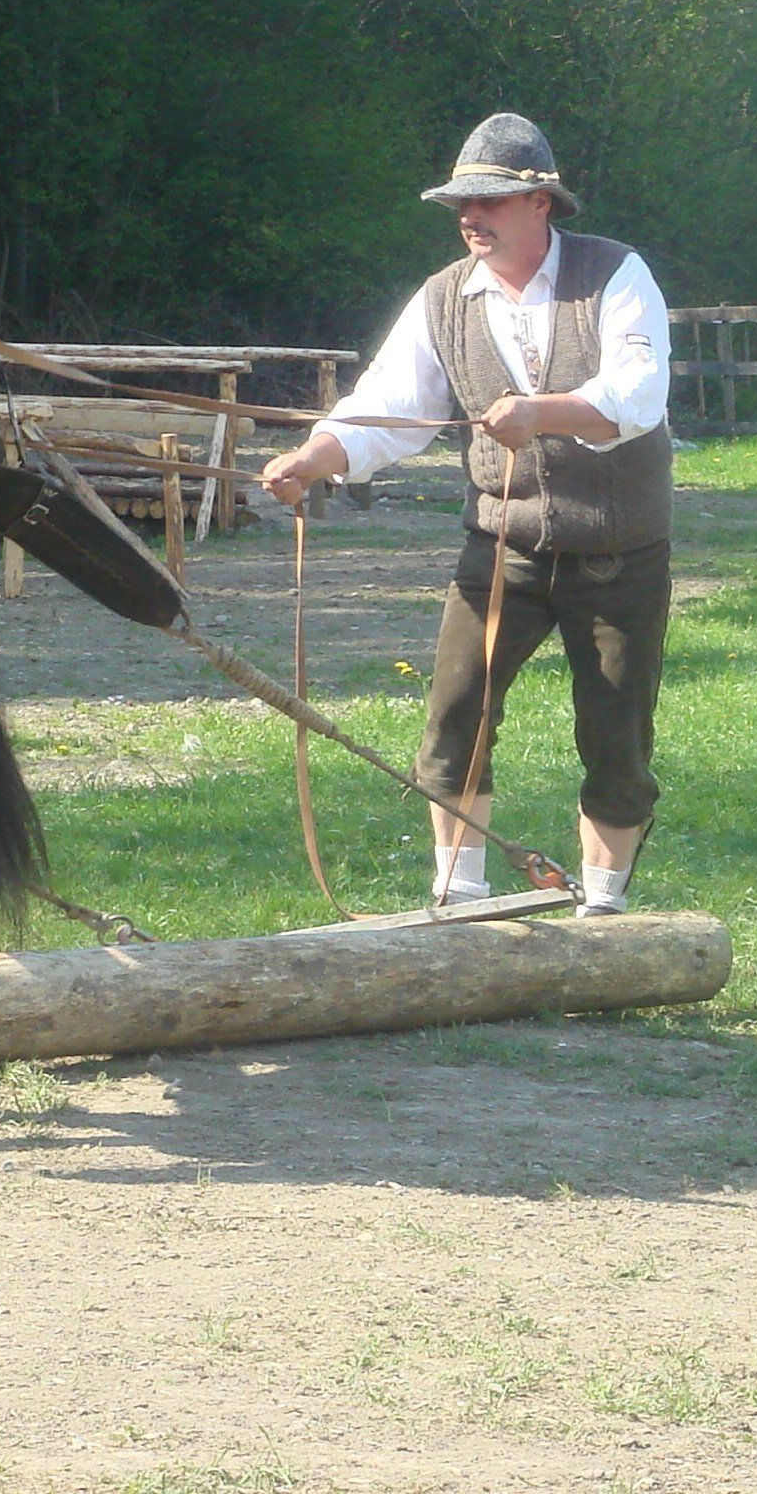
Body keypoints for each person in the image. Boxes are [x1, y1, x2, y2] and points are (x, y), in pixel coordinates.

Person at [261, 115, 672, 914]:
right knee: (454, 722)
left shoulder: (617, 274)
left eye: (486, 200)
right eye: (460, 203)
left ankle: (604, 911)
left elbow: (637, 396)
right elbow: (389, 405)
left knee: (616, 739)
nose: (468, 216)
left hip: (616, 551)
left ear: (540, 202)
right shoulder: (443, 296)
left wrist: (541, 411)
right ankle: (459, 899)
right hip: (501, 546)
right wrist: (313, 458)